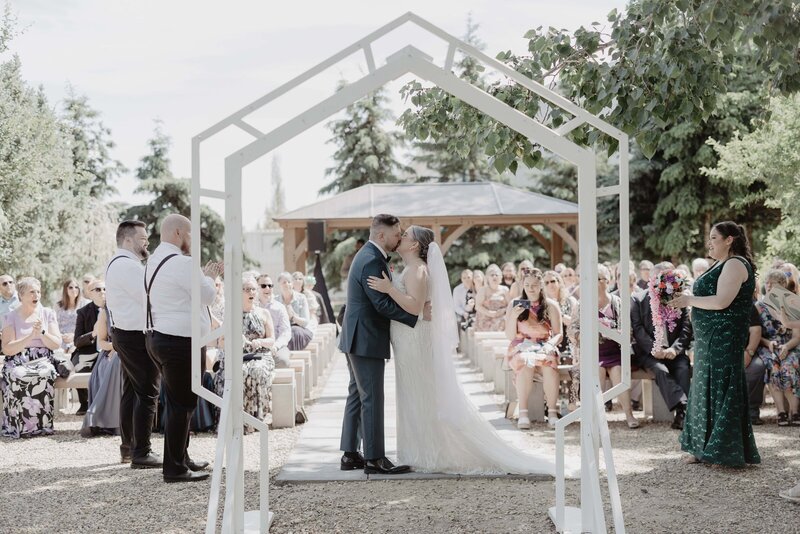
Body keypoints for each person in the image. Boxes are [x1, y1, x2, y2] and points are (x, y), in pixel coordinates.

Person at [367, 225, 572, 476]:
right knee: (414, 392)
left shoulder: (417, 270)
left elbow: (414, 307)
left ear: (413, 245)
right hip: (407, 339)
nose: (401, 237)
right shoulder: (411, 269)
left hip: (414, 339)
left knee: (418, 392)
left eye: (406, 235)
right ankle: (418, 449)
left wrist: (389, 289)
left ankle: (425, 452)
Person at [668, 221, 760, 466]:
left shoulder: (735, 264)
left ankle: (723, 450)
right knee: (704, 388)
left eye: (714, 238)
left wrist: (689, 300)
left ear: (729, 240)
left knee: (720, 388)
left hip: (724, 339)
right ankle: (702, 447)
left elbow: (721, 302)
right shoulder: (721, 264)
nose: (709, 243)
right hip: (710, 340)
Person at [338, 214, 417, 475]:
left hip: (356, 336)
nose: (399, 238)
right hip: (366, 337)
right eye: (396, 234)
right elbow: (380, 304)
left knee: (357, 395)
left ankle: (350, 455)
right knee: (371, 397)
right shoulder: (372, 259)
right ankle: (374, 457)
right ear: (381, 235)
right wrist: (415, 318)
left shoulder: (367, 255)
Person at [144, 214, 218, 482]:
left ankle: (181, 457)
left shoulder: (153, 261)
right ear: (178, 234)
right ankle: (174, 468)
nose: (192, 242)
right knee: (181, 404)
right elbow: (207, 296)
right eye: (190, 235)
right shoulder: (184, 264)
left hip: (159, 337)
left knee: (178, 401)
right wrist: (209, 277)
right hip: (179, 341)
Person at [106, 220, 160, 466]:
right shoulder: (127, 266)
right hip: (134, 336)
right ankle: (142, 452)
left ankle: (129, 447)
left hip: (124, 334)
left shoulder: (120, 263)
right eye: (142, 238)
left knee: (131, 392)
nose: (146, 242)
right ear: (127, 240)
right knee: (148, 392)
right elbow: (150, 299)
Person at [570, 265, 639, 429]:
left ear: (607, 281)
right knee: (597, 374)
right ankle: (597, 418)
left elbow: (628, 331)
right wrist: (584, 336)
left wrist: (614, 332)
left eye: (600, 278)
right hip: (593, 353)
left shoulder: (618, 302)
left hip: (615, 352)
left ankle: (629, 414)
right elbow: (573, 329)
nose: (597, 282)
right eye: (593, 278)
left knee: (618, 374)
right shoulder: (583, 304)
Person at [631, 262, 693, 430]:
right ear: (652, 279)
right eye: (660, 278)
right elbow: (638, 329)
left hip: (674, 351)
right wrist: (654, 348)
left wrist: (675, 348)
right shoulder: (638, 299)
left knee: (683, 368)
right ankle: (685, 407)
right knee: (661, 371)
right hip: (649, 353)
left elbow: (686, 328)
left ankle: (681, 415)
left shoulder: (678, 299)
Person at [213, 276, 276, 433]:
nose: (252, 292)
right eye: (247, 289)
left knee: (256, 370)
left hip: (260, 355)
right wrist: (234, 342)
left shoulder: (264, 313)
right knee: (234, 372)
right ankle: (235, 422)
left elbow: (272, 339)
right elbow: (220, 342)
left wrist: (259, 342)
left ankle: (255, 419)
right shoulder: (231, 315)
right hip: (237, 356)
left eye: (254, 289)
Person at [1, 277, 63, 438]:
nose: (36, 295)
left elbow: (56, 344)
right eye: (31, 292)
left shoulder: (48, 313)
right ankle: (19, 427)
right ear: (21, 296)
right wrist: (30, 337)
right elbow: (7, 349)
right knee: (18, 374)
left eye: (38, 291)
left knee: (46, 372)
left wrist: (42, 332)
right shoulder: (11, 316)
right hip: (17, 359)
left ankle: (42, 426)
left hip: (43, 360)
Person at [504, 269, 563, 429]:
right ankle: (523, 412)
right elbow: (510, 335)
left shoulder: (551, 305)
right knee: (525, 361)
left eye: (535, 285)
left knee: (550, 362)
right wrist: (514, 316)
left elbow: (559, 334)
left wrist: (550, 345)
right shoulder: (514, 304)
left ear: (541, 286)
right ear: (523, 285)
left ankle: (551, 411)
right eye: (527, 285)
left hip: (545, 344)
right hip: (521, 344)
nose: (531, 289)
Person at [755, 270, 800, 425]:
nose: (767, 286)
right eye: (766, 283)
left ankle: (794, 413)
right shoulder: (759, 307)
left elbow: (796, 337)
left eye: (772, 284)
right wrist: (769, 344)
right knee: (774, 367)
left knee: (789, 366)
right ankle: (780, 412)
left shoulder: (793, 304)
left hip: (790, 346)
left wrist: (786, 347)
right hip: (769, 346)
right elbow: (756, 334)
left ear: (782, 286)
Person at [81, 306, 122, 436]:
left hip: (131, 351)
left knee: (118, 361)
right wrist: (115, 348)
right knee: (113, 362)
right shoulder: (105, 313)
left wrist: (119, 349)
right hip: (109, 352)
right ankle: (100, 418)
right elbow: (102, 342)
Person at [71, 279, 106, 414]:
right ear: (89, 294)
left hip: (109, 350)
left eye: (104, 289)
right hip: (88, 351)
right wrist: (94, 334)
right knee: (80, 366)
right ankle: (84, 403)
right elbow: (77, 341)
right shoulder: (83, 312)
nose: (102, 292)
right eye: (97, 289)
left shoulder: (114, 309)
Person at [256, 274, 293, 369]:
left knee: (283, 362)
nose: (267, 288)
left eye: (270, 286)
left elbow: (285, 332)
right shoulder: (252, 307)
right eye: (263, 286)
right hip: (256, 347)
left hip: (276, 347)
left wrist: (276, 346)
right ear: (257, 287)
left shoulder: (280, 307)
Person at [276, 272, 314, 350]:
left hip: (300, 330)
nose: (287, 284)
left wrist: (293, 317)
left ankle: (291, 357)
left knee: (294, 331)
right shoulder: (275, 300)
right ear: (279, 285)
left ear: (292, 284)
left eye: (289, 282)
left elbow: (306, 322)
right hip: (282, 330)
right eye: (284, 282)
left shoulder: (301, 298)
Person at [744, 298, 766, 426]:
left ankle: (752, 411)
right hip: (723, 352)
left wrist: (749, 352)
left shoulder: (749, 306)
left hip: (747, 350)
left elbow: (756, 330)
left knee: (757, 368)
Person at [474, 264, 509, 332]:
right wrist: (489, 313)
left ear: (500, 277)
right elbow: (477, 306)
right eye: (492, 275)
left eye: (496, 275)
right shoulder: (483, 290)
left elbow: (510, 305)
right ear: (487, 278)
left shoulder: (505, 289)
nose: (494, 277)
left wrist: (503, 310)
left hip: (501, 317)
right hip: (485, 318)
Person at [54, 278, 86, 351]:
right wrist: (60, 336)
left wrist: (74, 335)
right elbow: (54, 324)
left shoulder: (84, 305)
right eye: (70, 287)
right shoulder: (58, 306)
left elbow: (86, 326)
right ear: (66, 290)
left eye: (76, 287)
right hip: (60, 339)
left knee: (72, 353)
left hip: (77, 339)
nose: (74, 290)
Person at [0, 274, 20, 352]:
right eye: (5, 283)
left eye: (11, 282)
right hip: (3, 339)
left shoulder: (24, 298)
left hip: (23, 337)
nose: (9, 285)